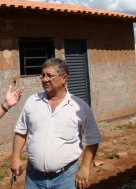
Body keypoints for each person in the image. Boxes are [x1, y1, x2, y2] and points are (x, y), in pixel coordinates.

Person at [11, 58, 102, 189]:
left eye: (49, 75)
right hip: (33, 178)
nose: (45, 79)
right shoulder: (32, 102)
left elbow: (93, 139)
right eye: (42, 75)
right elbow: (21, 131)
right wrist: (15, 157)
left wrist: (85, 167)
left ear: (64, 78)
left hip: (66, 178)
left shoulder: (80, 107)